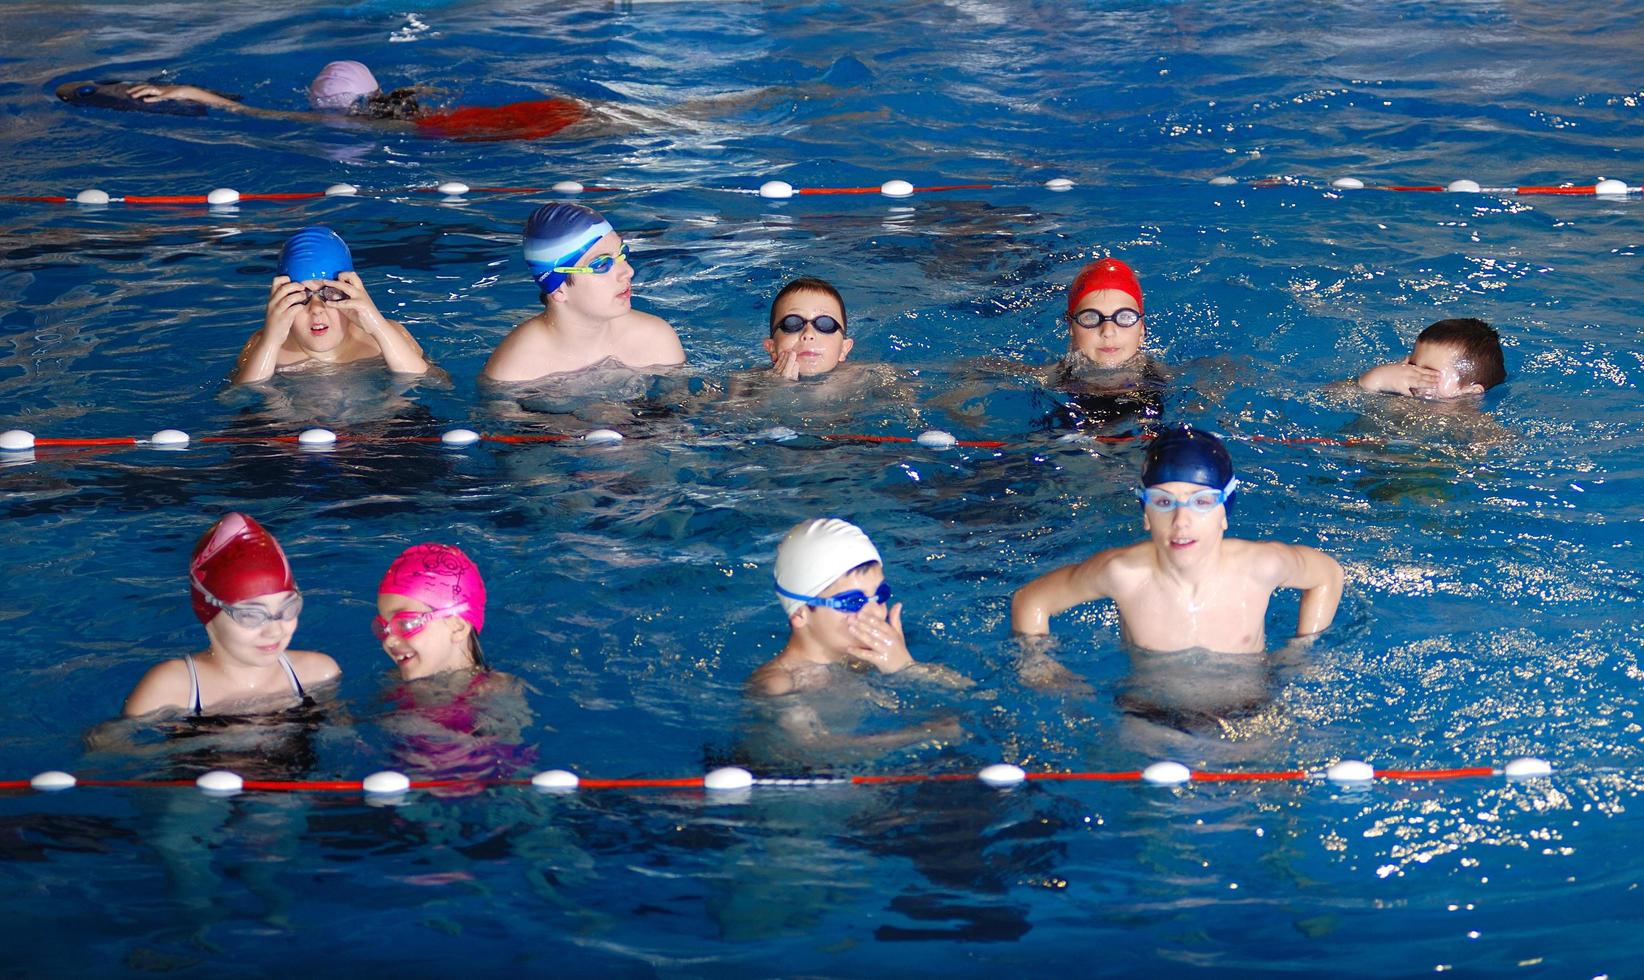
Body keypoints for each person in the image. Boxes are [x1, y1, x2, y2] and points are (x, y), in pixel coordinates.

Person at [1010, 425, 1343, 669]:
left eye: (1201, 502)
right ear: (1145, 514)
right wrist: (1041, 669)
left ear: (1224, 513)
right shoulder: (1122, 574)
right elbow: (1031, 601)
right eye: (1163, 501)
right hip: (1148, 713)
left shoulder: (1259, 567)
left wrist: (1303, 651)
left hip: (1248, 709)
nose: (1181, 520)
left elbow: (1327, 574)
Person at [747, 519, 971, 758]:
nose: (876, 611)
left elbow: (971, 693)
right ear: (801, 613)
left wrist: (906, 666)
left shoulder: (861, 660)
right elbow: (810, 748)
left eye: (880, 594)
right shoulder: (779, 684)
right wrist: (923, 734)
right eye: (852, 602)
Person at [124, 513, 339, 717]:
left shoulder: (318, 674)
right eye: (251, 615)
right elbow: (108, 747)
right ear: (207, 612)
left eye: (288, 609)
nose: (274, 630)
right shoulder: (170, 689)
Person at [59, 60, 587, 142]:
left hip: (489, 130)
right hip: (513, 115)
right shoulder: (402, 106)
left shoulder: (380, 129)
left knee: (607, 128)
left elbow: (249, 113)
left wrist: (182, 92)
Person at [483, 203, 684, 383]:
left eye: (622, 253)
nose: (628, 271)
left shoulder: (655, 339)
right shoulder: (515, 372)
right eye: (602, 264)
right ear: (559, 289)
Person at [233, 226, 429, 383]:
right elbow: (237, 398)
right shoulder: (262, 345)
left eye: (331, 293)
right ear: (281, 300)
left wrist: (377, 326)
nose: (316, 308)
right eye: (302, 295)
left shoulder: (389, 335)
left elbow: (433, 383)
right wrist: (271, 341)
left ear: (353, 295)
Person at [374, 543, 488, 682]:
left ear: (458, 627)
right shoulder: (392, 682)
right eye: (383, 627)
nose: (389, 641)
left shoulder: (495, 693)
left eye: (405, 624)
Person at [1356, 317, 1506, 399]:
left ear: (1471, 392)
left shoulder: (1470, 423)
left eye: (1427, 371)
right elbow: (1335, 396)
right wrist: (1374, 379)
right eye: (1412, 364)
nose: (1410, 374)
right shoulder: (1397, 395)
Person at [763, 277, 854, 379]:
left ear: (843, 348)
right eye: (792, 323)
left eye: (825, 324)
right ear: (772, 348)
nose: (808, 334)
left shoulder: (867, 378)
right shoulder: (746, 387)